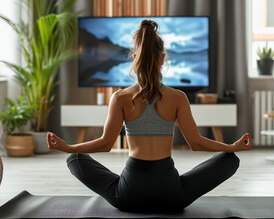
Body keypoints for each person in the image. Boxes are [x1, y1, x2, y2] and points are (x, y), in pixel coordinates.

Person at [47, 19, 252, 212]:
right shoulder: (178, 98)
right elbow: (196, 143)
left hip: (128, 196)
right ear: (163, 58)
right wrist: (231, 147)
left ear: (135, 58)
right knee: (230, 160)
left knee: (74, 158)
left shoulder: (120, 98)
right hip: (172, 196)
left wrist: (68, 147)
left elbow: (105, 144)